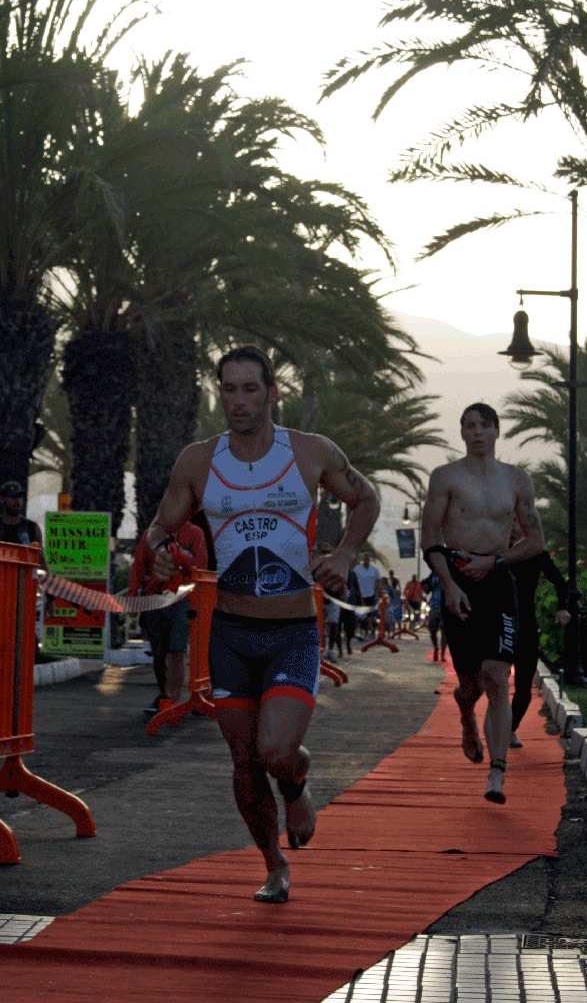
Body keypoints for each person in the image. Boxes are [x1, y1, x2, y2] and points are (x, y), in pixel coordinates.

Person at [146, 344, 380, 904]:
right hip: (230, 634)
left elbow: (366, 498)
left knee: (275, 751)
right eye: (229, 389)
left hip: (292, 633)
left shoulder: (310, 451)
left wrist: (345, 554)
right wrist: (157, 552)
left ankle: (296, 782)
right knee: (245, 762)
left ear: (272, 393)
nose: (239, 401)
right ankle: (274, 865)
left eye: (250, 389)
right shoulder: (198, 461)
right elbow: (161, 525)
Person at [421, 402, 544, 805]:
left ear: (496, 431)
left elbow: (535, 540)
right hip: (458, 579)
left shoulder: (516, 480)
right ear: (462, 433)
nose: (477, 432)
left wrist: (497, 561)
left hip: (497, 581)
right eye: (470, 426)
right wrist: (448, 585)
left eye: (484, 425)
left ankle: (497, 772)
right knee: (471, 683)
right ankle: (465, 714)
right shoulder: (445, 477)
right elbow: (429, 537)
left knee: (497, 677)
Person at [128, 519, 208, 714]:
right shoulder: (151, 534)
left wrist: (182, 559)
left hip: (182, 600)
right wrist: (132, 596)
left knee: (177, 650)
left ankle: (174, 699)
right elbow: (138, 565)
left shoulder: (195, 533)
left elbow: (201, 565)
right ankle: (164, 696)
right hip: (154, 599)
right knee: (158, 653)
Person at [508, 522, 570, 748]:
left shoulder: (535, 554)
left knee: (524, 686)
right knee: (494, 682)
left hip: (525, 624)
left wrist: (562, 608)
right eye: (509, 520)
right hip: (498, 625)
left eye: (517, 521)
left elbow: (560, 583)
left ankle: (510, 728)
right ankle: (494, 728)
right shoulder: (492, 554)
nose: (513, 527)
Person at [0, 481, 49, 572]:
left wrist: (50, 577)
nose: (17, 501)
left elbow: (41, 559)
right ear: (2, 499)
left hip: (23, 577)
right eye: (13, 497)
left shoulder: (32, 528)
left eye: (20, 497)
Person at [317, 541, 342, 660]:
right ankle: (320, 650)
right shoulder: (316, 565)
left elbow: (341, 581)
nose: (326, 554)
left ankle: (330, 650)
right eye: (324, 552)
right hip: (319, 601)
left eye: (328, 552)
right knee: (319, 627)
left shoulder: (336, 565)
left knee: (333, 626)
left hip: (333, 599)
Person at [423, 571, 448, 666]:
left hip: (445, 606)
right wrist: (424, 587)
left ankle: (442, 654)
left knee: (444, 631)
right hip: (434, 605)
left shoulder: (448, 571)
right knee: (432, 630)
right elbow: (427, 589)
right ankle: (436, 647)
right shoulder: (433, 574)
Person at [354, 550, 381, 635]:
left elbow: (378, 581)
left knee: (370, 614)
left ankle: (371, 630)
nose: (366, 560)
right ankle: (361, 630)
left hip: (371, 595)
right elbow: (354, 581)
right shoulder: (357, 569)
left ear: (370, 560)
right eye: (365, 559)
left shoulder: (374, 570)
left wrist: (376, 591)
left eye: (368, 559)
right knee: (360, 614)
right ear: (363, 559)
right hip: (360, 595)